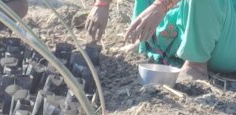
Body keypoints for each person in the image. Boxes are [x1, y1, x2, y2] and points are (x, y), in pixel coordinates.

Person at [85, 0, 236, 80]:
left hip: (228, 41)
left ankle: (196, 66)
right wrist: (102, 4)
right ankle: (145, 39)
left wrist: (162, 5)